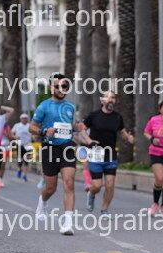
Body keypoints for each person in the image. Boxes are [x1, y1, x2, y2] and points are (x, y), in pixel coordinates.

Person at [30, 73, 77, 235]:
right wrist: (44, 131)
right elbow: (32, 127)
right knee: (51, 188)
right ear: (51, 88)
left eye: (64, 86)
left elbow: (69, 126)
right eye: (57, 86)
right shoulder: (44, 106)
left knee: (69, 183)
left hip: (67, 146)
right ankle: (42, 202)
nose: (61, 89)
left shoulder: (70, 106)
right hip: (49, 148)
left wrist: (77, 127)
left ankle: (68, 223)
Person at [80, 91, 134, 220]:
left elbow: (121, 131)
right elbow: (82, 129)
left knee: (110, 185)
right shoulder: (94, 115)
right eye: (107, 97)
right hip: (95, 154)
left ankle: (104, 210)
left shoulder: (117, 117)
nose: (110, 99)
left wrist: (128, 137)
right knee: (97, 185)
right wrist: (89, 141)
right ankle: (91, 195)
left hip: (110, 155)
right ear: (102, 101)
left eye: (113, 97)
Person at [11, 113, 33, 182]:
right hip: (19, 144)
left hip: (28, 144)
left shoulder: (30, 125)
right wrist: (14, 137)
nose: (24, 120)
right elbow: (11, 133)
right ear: (20, 119)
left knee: (26, 160)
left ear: (27, 119)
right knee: (20, 160)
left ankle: (24, 175)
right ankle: (20, 169)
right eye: (23, 118)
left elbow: (34, 133)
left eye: (25, 118)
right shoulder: (17, 125)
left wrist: (33, 137)